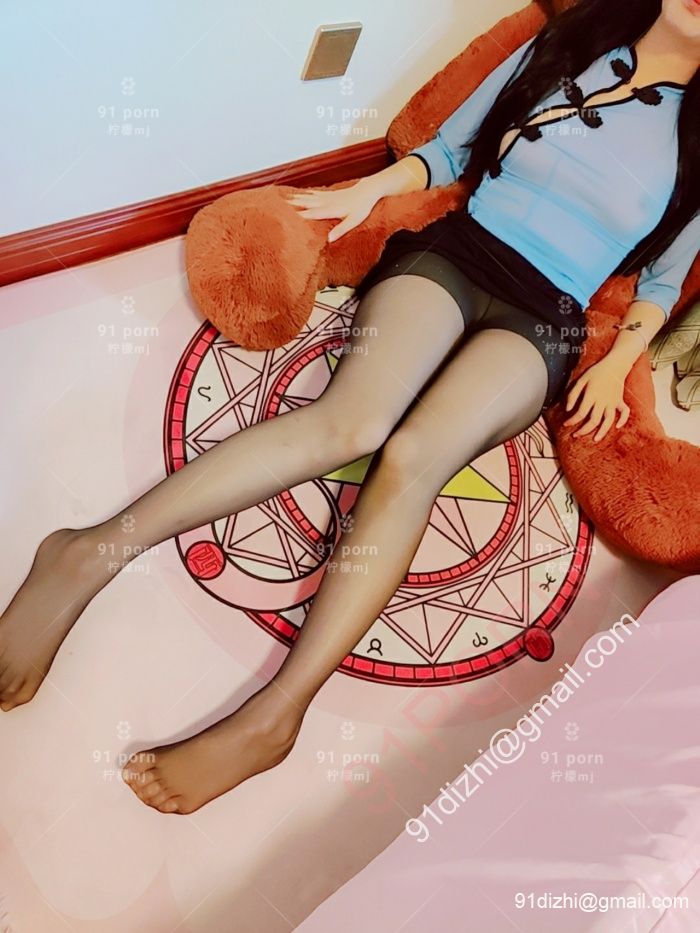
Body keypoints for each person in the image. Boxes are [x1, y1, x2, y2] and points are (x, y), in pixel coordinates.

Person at [1, 0, 698, 814]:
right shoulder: (567, 43)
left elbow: (660, 282)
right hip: (459, 255)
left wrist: (617, 362)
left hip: (546, 316)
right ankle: (85, 553)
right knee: (353, 422)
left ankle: (278, 714)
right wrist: (366, 191)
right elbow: (449, 151)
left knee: (414, 458)